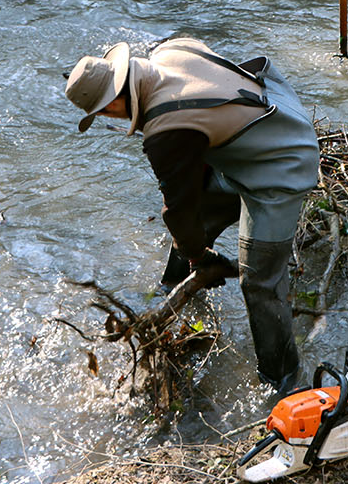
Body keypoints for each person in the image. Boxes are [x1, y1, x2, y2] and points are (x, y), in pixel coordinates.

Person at [64, 36, 320, 398]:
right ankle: (177, 286)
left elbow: (177, 208)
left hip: (284, 162)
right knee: (193, 216)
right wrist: (195, 249)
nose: (109, 119)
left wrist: (198, 253)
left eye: (104, 113)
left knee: (259, 283)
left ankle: (283, 382)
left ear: (113, 103)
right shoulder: (170, 51)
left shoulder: (165, 131)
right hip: (274, 117)